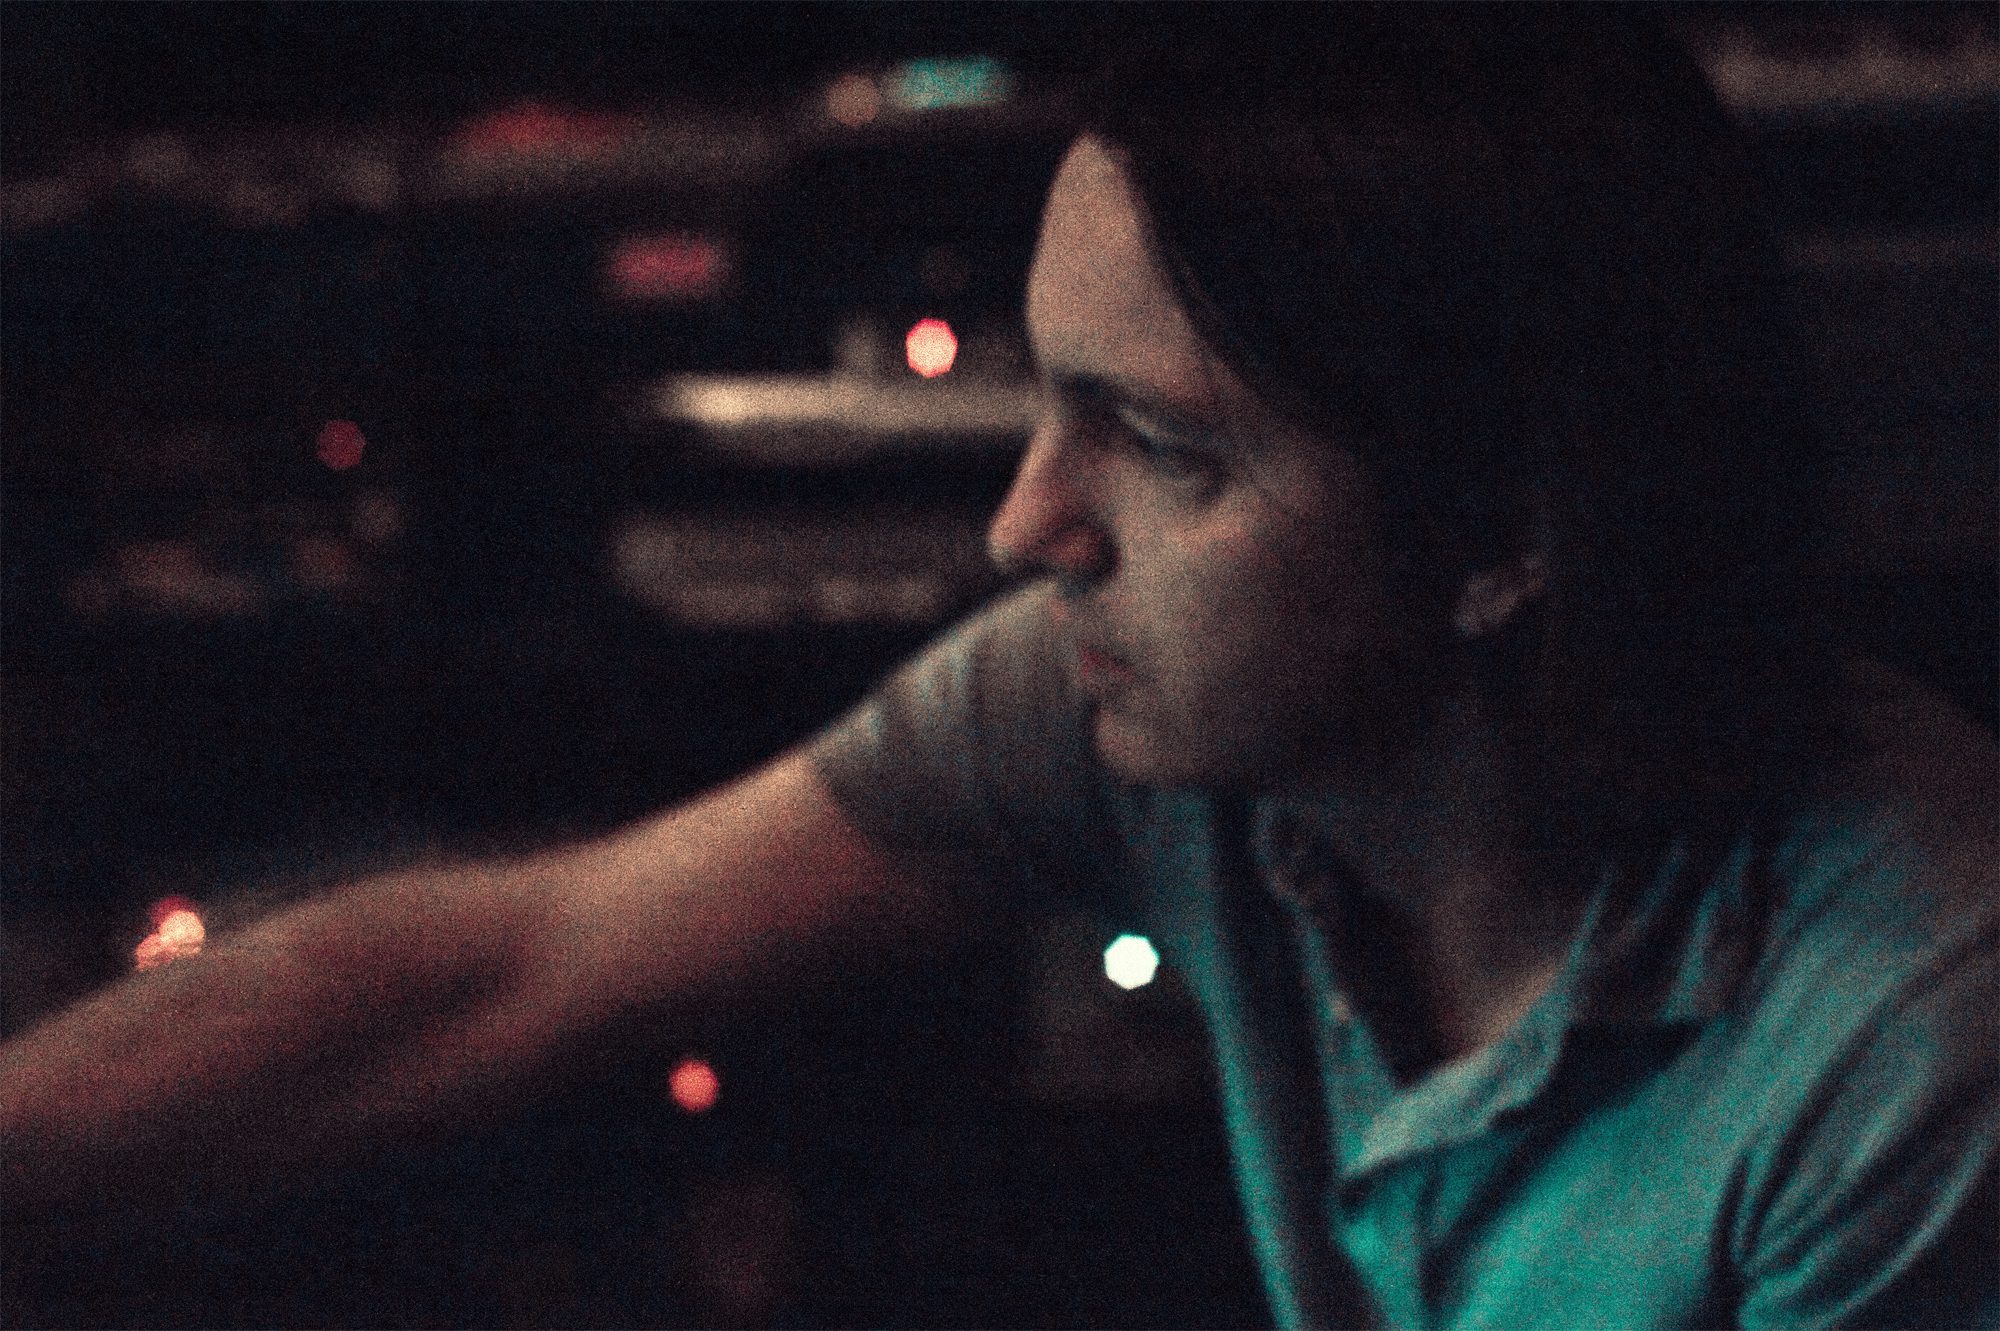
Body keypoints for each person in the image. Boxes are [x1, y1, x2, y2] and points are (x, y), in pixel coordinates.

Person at [4, 10, 1994, 1328]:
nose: (1029, 524)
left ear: (1500, 535)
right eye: (1054, 400)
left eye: (1165, 445)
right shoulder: (1134, 710)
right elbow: (513, 967)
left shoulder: (1907, 1044)